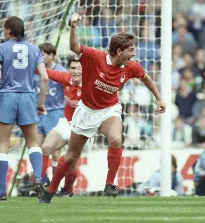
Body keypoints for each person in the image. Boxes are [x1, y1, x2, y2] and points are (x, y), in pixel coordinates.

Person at [40, 13, 166, 203]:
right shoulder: (95, 57)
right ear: (118, 50)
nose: (134, 53)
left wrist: (159, 98)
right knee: (71, 156)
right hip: (86, 111)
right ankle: (50, 190)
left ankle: (109, 183)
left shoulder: (130, 66)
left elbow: (145, 77)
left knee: (115, 139)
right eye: (130, 50)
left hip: (109, 110)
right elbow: (74, 47)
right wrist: (73, 27)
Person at [0, 16, 49, 201]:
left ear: (8, 31)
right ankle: (37, 176)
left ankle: (2, 191)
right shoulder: (34, 49)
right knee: (33, 143)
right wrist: (41, 102)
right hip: (28, 96)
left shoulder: (2, 48)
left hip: (7, 98)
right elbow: (44, 77)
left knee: (3, 145)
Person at [41, 57, 83, 197]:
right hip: (66, 123)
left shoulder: (92, 83)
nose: (75, 71)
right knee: (46, 147)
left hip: (84, 128)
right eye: (72, 68)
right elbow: (45, 72)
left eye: (79, 68)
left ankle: (67, 190)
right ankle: (39, 183)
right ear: (68, 69)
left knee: (70, 163)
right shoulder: (65, 78)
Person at [34, 43, 67, 184]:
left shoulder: (61, 71)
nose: (41, 57)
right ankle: (41, 179)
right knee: (36, 147)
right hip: (39, 113)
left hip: (55, 113)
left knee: (54, 150)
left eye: (44, 54)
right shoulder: (35, 71)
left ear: (52, 55)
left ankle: (56, 182)